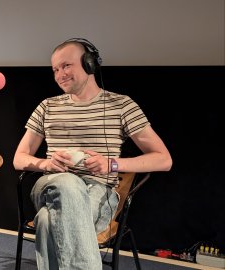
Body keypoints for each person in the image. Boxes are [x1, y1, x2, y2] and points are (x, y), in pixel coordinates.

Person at [13, 38, 172, 269]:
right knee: (67, 182)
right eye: (55, 69)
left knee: (47, 221)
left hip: (99, 191)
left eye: (66, 66)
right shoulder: (47, 106)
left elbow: (163, 159)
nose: (60, 74)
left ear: (89, 64)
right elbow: (19, 158)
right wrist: (46, 164)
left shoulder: (121, 105)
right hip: (51, 185)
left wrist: (112, 165)